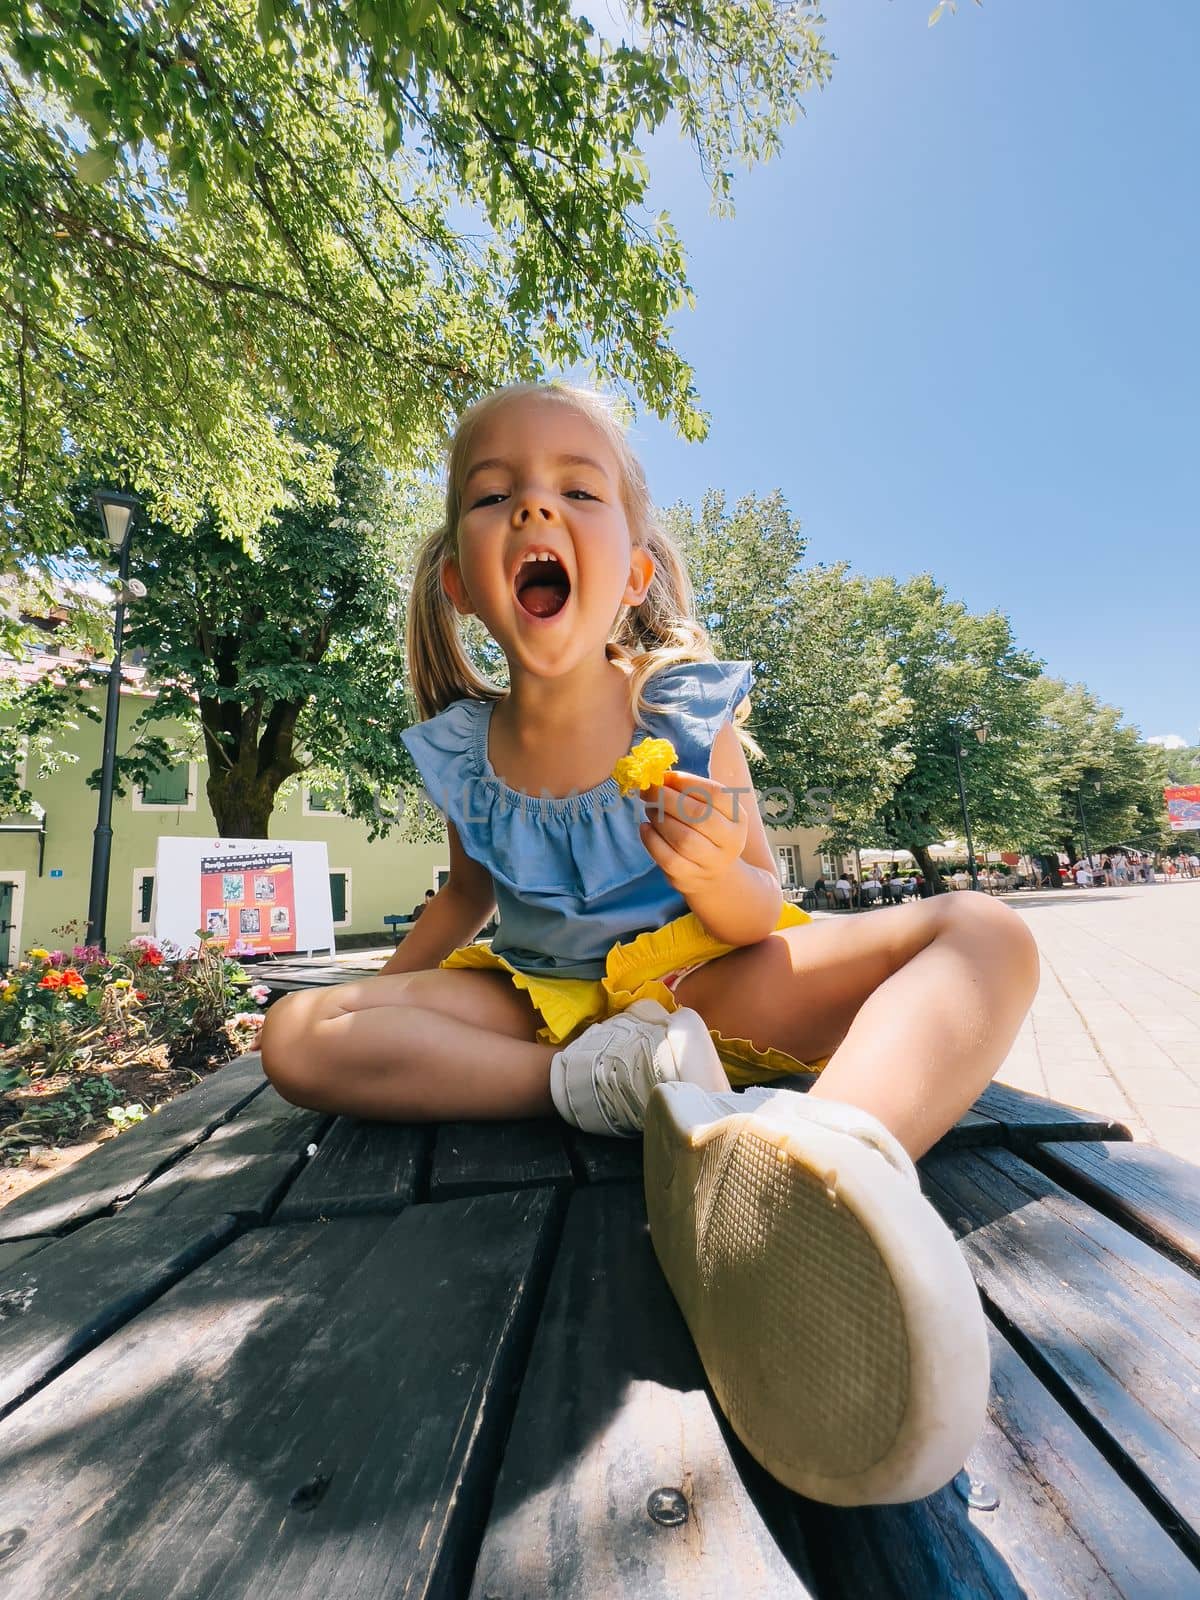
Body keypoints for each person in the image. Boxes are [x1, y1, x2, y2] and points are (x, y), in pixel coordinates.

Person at [260, 382, 1038, 1510]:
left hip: (707, 980)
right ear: (459, 582)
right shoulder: (465, 749)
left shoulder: (681, 709)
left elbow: (758, 899)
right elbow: (468, 895)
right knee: (296, 1034)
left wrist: (718, 874)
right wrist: (379, 1010)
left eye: (575, 489)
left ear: (630, 571)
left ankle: (823, 1166)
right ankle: (596, 1090)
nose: (536, 512)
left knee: (987, 931)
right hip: (549, 1008)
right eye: (496, 496)